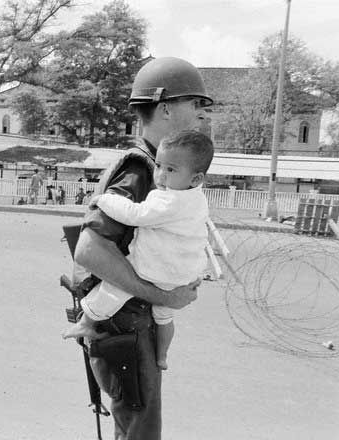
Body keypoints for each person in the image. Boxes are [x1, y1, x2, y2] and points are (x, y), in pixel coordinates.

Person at [65, 57, 211, 440]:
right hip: (125, 324)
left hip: (128, 324)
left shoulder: (155, 168)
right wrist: (166, 295)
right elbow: (89, 251)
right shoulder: (141, 171)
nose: (202, 114)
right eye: (195, 103)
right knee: (139, 432)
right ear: (165, 108)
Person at [63, 130, 213, 371]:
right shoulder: (197, 198)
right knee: (164, 317)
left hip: (156, 270)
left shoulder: (168, 201)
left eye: (171, 170)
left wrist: (103, 200)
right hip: (184, 274)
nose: (161, 175)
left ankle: (86, 323)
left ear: (195, 179)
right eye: (159, 166)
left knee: (114, 288)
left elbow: (135, 214)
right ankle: (162, 356)